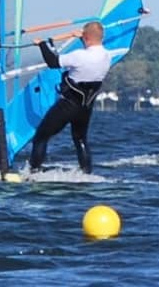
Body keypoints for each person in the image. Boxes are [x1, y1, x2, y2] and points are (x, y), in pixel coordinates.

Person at [28, 20, 110, 175]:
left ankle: (33, 172)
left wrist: (41, 44)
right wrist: (83, 37)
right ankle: (86, 173)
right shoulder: (107, 56)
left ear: (86, 37)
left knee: (41, 137)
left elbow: (53, 62)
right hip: (86, 108)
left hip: (68, 105)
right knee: (80, 139)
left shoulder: (79, 56)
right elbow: (92, 45)